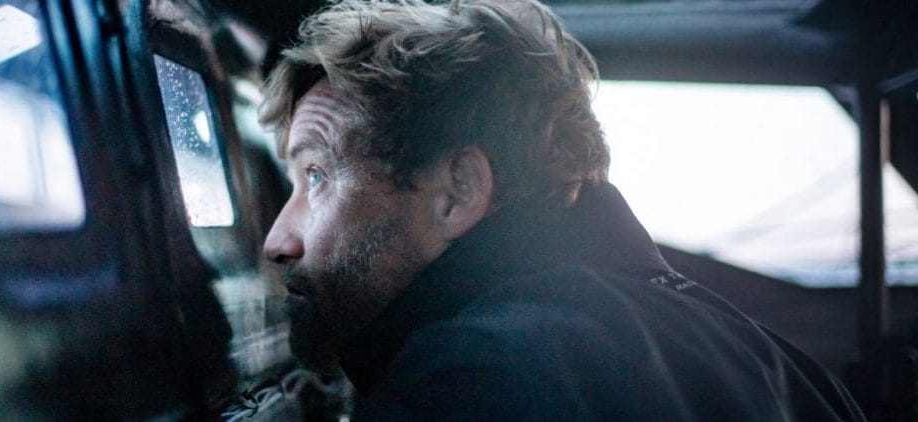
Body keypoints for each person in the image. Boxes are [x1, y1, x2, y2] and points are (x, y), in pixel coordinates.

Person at [259, 0, 866, 420]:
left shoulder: (469, 380)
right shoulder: (779, 363)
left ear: (457, 192)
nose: (278, 239)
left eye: (317, 176)